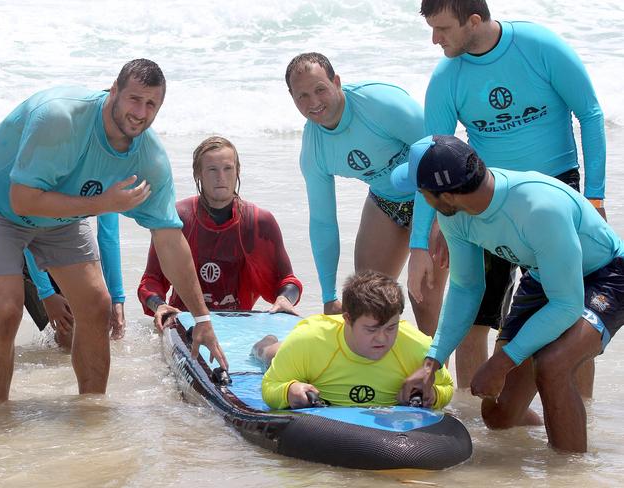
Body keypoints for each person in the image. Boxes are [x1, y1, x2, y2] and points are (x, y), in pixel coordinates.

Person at [0, 58, 226, 401]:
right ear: (113, 92)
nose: (141, 112)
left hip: (59, 215)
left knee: (96, 305)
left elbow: (169, 240)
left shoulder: (149, 158)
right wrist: (102, 204)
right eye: (134, 99)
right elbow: (23, 201)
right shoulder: (60, 119)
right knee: (6, 308)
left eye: (151, 104)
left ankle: (92, 413)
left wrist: (202, 318)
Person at [408, 0, 607, 390]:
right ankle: (476, 417)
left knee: (572, 319)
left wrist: (596, 199)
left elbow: (590, 113)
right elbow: (428, 160)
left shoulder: (539, 46)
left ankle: (580, 411)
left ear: (475, 21)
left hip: (556, 194)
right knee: (475, 318)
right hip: (481, 197)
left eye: (443, 29)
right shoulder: (447, 78)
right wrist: (422, 238)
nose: (435, 40)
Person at [392, 135, 624, 452]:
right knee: (499, 414)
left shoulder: (539, 207)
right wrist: (432, 363)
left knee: (552, 365)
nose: (422, 200)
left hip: (606, 275)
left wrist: (502, 361)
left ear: (445, 194)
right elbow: (466, 287)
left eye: (422, 193)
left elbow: (567, 305)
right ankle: (565, 427)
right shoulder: (455, 215)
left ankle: (571, 477)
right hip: (543, 276)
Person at [285, 52, 447, 336]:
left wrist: (421, 241)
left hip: (434, 193)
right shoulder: (314, 150)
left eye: (320, 89)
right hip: (386, 201)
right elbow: (323, 222)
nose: (314, 103)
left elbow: (441, 152)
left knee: (422, 295)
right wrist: (327, 295)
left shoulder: (380, 104)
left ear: (336, 81)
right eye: (302, 96)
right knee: (366, 300)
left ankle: (434, 374)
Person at [137, 136, 302, 330]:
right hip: (184, 322)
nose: (221, 177)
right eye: (212, 169)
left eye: (228, 168)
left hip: (239, 325)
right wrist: (160, 306)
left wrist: (285, 299)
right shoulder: (176, 219)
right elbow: (151, 280)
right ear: (198, 174)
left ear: (238, 171)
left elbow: (288, 280)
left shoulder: (258, 221)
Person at [261, 270, 453, 410]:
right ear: (347, 319)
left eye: (391, 328)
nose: (382, 338)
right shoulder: (308, 341)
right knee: (271, 355)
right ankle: (266, 344)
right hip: (317, 343)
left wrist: (434, 395)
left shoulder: (417, 347)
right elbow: (269, 385)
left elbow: (447, 386)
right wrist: (289, 390)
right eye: (371, 329)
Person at [23, 213, 125, 348]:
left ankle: (65, 361)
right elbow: (29, 229)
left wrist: (117, 299)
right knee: (66, 322)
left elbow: (109, 237)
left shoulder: (110, 192)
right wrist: (47, 294)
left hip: (63, 228)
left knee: (93, 313)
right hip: (17, 237)